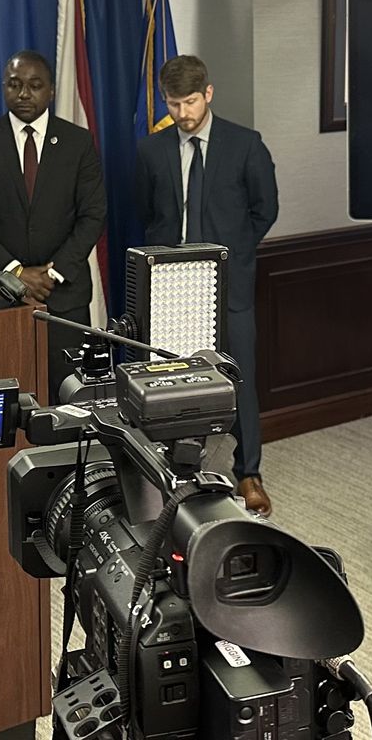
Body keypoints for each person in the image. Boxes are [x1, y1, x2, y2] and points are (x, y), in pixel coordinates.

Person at [134, 56, 278, 518]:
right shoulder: (151, 151)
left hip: (229, 281)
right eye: (173, 104)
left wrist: (233, 250)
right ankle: (166, 470)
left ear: (208, 94)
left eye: (190, 102)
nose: (183, 113)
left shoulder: (245, 145)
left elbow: (265, 210)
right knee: (167, 378)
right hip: (171, 283)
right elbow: (146, 213)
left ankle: (248, 472)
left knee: (240, 377)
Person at [0, 51, 107, 399]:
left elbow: (93, 214)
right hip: (2, 297)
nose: (24, 94)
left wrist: (52, 273)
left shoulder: (77, 142)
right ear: (3, 88)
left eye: (35, 86)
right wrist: (16, 273)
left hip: (64, 297)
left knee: (69, 398)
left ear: (50, 90)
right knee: (5, 397)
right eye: (15, 85)